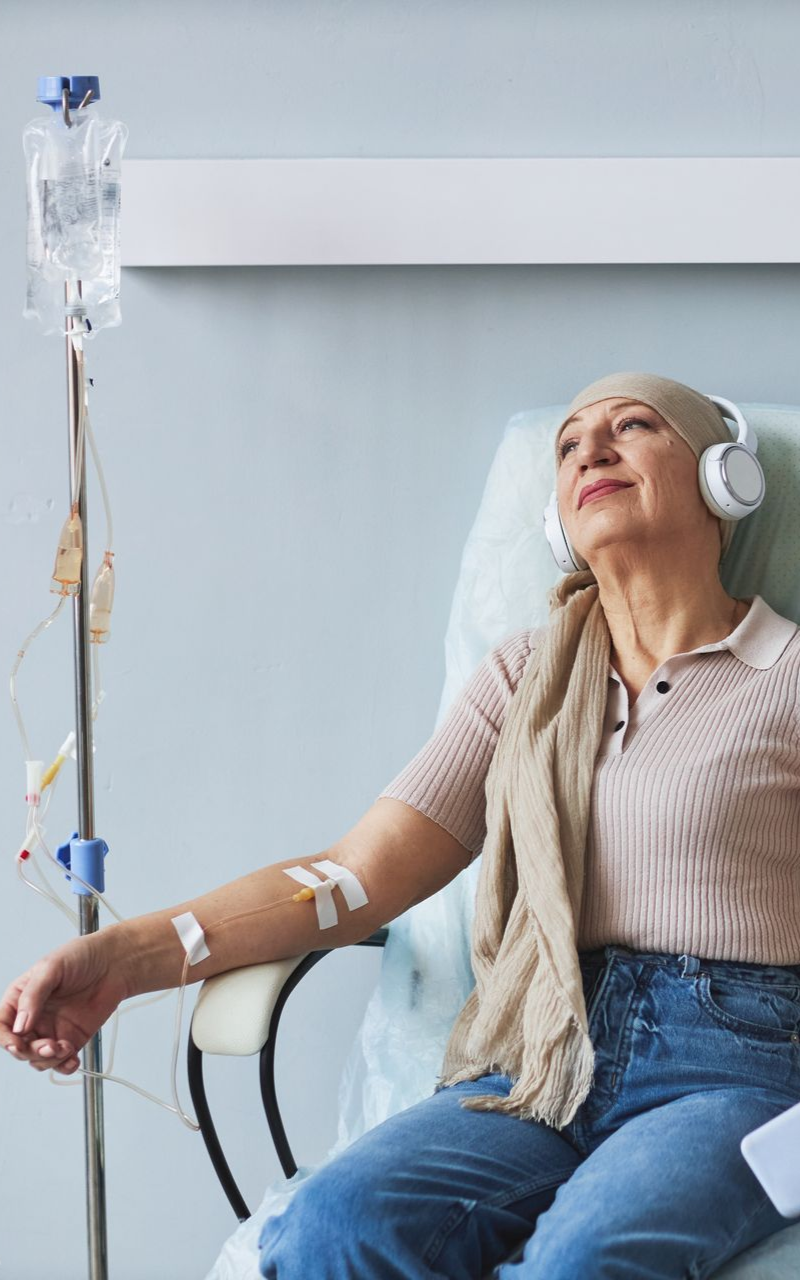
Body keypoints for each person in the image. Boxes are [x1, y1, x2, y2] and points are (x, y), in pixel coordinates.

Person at [4, 371, 800, 1280]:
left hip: (735, 1070)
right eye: (570, 445)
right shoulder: (525, 680)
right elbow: (352, 876)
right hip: (539, 1050)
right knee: (328, 1226)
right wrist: (122, 960)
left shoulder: (789, 674)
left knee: (581, 1262)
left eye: (634, 426)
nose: (592, 452)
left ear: (721, 479)